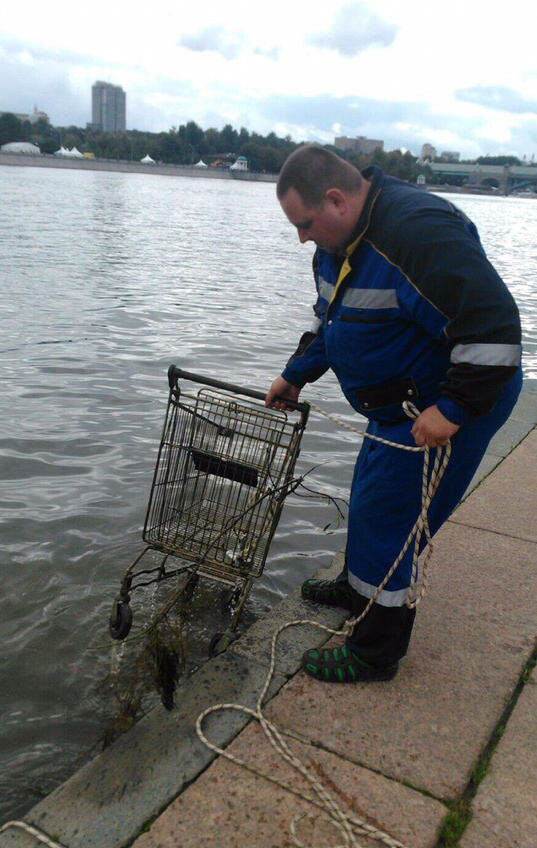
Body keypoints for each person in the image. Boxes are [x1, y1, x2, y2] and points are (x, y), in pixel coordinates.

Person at [266, 145, 522, 684]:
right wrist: (295, 374)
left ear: (336, 200)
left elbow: (496, 330)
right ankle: (358, 587)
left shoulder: (417, 233)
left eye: (305, 224)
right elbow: (332, 322)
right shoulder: (337, 245)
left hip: (453, 401)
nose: (302, 237)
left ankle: (375, 652)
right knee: (368, 495)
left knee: (392, 516)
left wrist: (452, 409)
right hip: (397, 405)